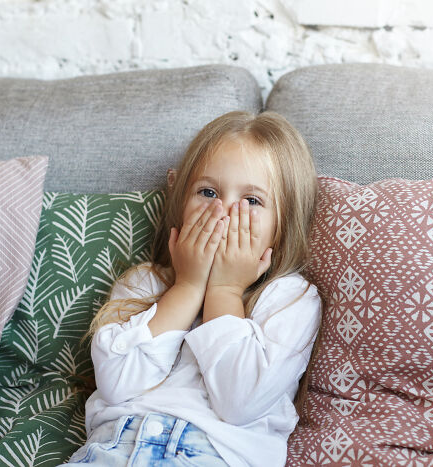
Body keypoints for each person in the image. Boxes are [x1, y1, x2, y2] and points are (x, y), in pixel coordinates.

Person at [62, 110, 322, 467]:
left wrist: (226, 291)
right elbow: (117, 384)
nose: (225, 213)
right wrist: (187, 286)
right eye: (208, 192)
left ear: (284, 223)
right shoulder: (144, 283)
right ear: (181, 203)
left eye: (252, 201)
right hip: (112, 451)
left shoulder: (289, 299)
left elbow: (239, 402)